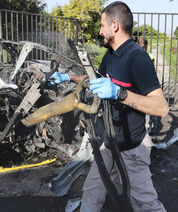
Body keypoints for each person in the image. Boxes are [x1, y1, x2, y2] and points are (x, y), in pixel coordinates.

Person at [48, 1, 168, 211]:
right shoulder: (111, 54)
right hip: (109, 143)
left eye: (102, 25)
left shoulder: (137, 58)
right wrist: (66, 76)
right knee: (92, 192)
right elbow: (95, 79)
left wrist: (119, 93)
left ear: (115, 26)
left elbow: (161, 108)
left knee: (145, 203)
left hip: (133, 147)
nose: (100, 30)